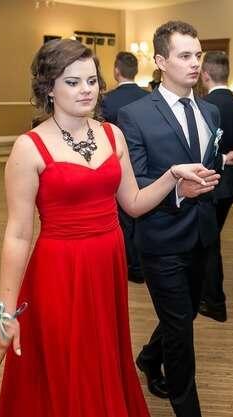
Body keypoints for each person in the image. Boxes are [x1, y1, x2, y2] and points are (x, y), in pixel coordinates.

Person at [0, 38, 215, 417]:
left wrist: (172, 178)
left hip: (108, 263)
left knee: (103, 353)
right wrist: (5, 313)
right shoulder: (28, 148)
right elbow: (17, 234)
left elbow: (133, 202)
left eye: (92, 81)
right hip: (60, 269)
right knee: (66, 359)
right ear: (49, 88)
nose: (86, 90)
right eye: (73, 82)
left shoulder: (112, 134)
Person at [118, 21, 233, 417]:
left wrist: (219, 166)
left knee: (186, 313)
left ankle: (148, 358)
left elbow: (205, 162)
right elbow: (135, 182)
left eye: (197, 55)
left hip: (203, 234)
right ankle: (187, 408)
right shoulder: (134, 115)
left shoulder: (210, 110)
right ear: (160, 61)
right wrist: (176, 189)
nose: (195, 63)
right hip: (161, 238)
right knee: (180, 330)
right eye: (185, 55)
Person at [199, 51, 233, 322]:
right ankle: (206, 294)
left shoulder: (202, 106)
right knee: (210, 238)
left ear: (205, 74)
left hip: (208, 182)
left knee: (208, 242)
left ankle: (214, 301)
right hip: (231, 183)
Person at [101, 51, 149, 284]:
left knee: (123, 218)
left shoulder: (106, 100)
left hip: (115, 164)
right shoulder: (149, 98)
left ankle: (130, 264)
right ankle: (141, 263)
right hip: (145, 166)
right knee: (143, 215)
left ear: (116, 70)